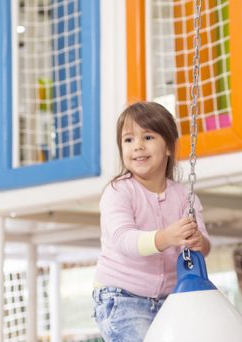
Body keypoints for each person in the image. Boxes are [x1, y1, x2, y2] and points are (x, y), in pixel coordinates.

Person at [92, 101, 211, 341]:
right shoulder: (118, 192)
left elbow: (204, 245)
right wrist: (166, 237)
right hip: (123, 297)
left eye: (147, 137)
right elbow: (124, 240)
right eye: (128, 140)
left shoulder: (183, 196)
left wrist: (199, 242)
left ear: (168, 146)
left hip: (169, 299)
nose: (137, 146)